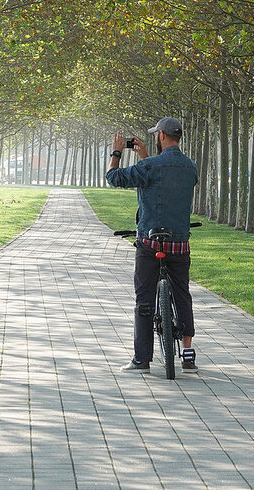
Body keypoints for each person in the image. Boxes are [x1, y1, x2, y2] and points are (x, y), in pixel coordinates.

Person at [106, 117, 199, 373]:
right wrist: (145, 156)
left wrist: (117, 151)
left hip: (150, 242)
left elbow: (114, 178)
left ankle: (142, 359)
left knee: (144, 299)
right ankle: (188, 354)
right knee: (183, 295)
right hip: (179, 244)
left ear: (160, 136)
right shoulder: (190, 166)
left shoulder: (149, 166)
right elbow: (166, 184)